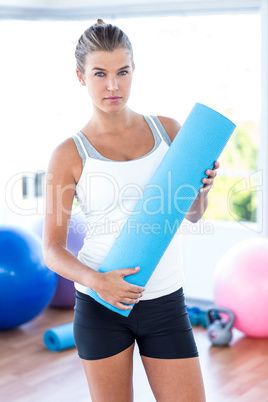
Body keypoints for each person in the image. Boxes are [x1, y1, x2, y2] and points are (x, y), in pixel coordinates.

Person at [43, 19, 219, 402]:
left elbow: (191, 215)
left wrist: (202, 190)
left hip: (166, 301)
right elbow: (52, 250)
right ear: (80, 77)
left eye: (122, 72)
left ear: (134, 71)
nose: (112, 86)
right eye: (100, 74)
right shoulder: (69, 154)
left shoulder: (169, 131)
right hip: (101, 306)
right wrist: (97, 281)